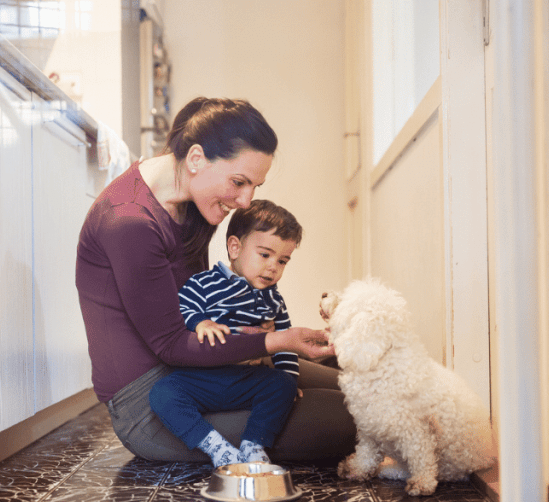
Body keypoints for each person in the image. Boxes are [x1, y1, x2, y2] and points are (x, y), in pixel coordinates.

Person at [75, 96, 356, 464]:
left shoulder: (189, 205)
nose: (245, 201)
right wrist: (273, 341)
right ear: (195, 159)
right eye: (239, 182)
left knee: (349, 383)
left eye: (254, 186)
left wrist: (256, 341)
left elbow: (201, 309)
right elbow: (173, 345)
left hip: (204, 372)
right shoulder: (130, 222)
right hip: (155, 406)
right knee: (352, 415)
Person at [149, 199, 304, 466]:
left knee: (283, 384)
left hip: (246, 378)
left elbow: (286, 341)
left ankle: (254, 445)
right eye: (265, 255)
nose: (273, 267)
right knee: (162, 394)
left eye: (283, 261)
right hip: (204, 378)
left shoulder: (273, 299)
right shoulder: (206, 283)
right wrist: (200, 323)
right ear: (235, 247)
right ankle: (216, 447)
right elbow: (182, 307)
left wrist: (290, 379)